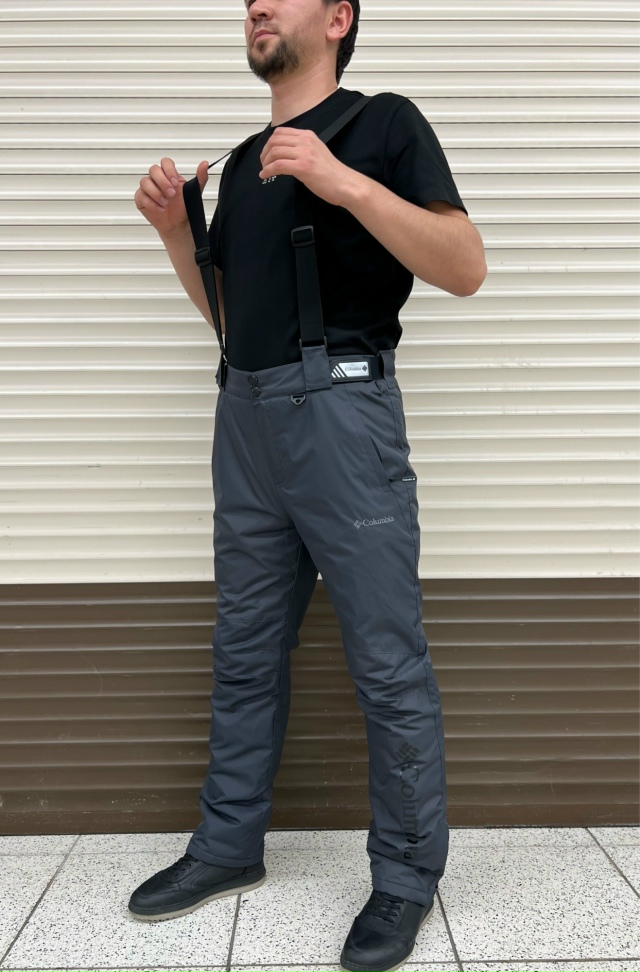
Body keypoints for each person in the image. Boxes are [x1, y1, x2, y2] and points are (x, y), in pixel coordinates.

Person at [130, 2, 487, 970]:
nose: (256, 6)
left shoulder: (383, 123)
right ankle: (227, 845)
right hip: (243, 416)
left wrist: (342, 182)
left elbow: (465, 267)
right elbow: (232, 318)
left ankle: (405, 877)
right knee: (244, 651)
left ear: (337, 18)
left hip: (342, 416)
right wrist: (177, 232)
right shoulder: (247, 160)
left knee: (385, 661)